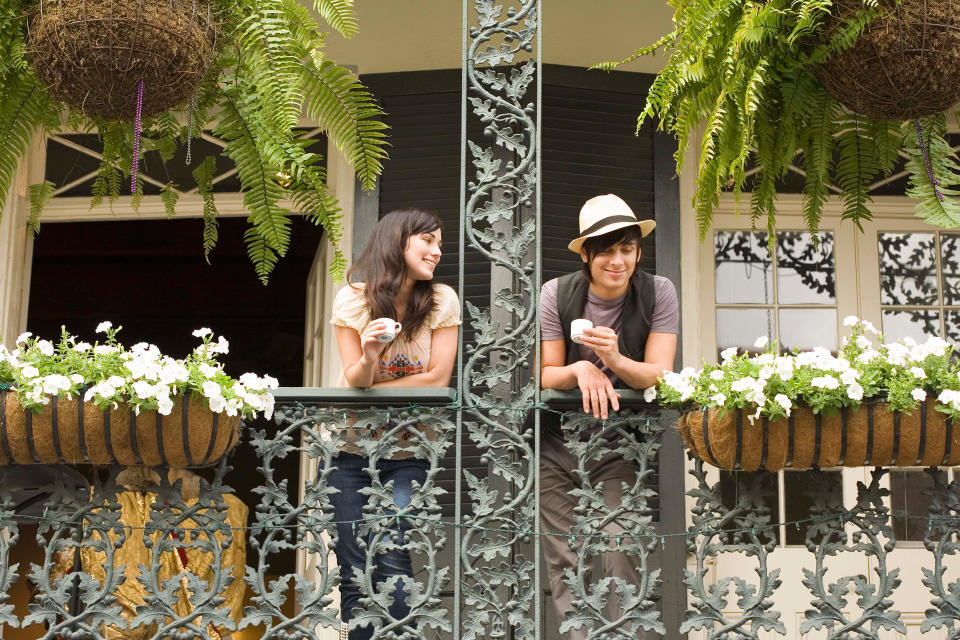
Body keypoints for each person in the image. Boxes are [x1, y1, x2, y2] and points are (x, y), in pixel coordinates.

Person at [538, 193, 678, 639]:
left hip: (620, 443)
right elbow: (547, 374)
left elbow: (660, 373)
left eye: (628, 249)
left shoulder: (660, 291)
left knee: (618, 548)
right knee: (563, 555)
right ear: (587, 254)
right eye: (607, 251)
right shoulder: (555, 293)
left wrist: (614, 361)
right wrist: (580, 368)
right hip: (557, 443)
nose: (618, 261)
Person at [329, 208, 461, 640]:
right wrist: (369, 357)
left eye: (440, 243)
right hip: (350, 454)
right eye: (428, 240)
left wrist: (376, 380)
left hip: (408, 455)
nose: (437, 251)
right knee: (352, 565)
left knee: (392, 557)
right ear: (397, 241)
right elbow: (357, 378)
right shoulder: (352, 299)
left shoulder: (441, 301)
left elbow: (439, 379)